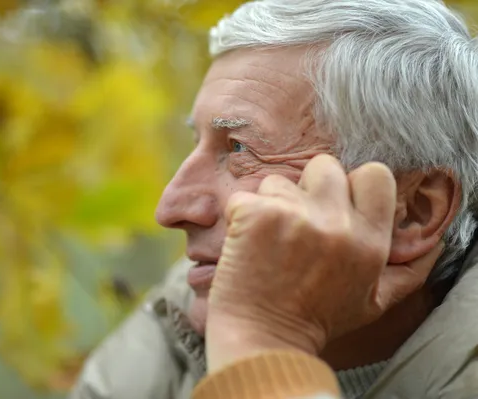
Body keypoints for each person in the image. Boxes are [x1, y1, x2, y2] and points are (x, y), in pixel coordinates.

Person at [72, 1, 478, 398]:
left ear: (412, 211)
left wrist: (263, 345)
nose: (171, 209)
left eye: (239, 149)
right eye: (196, 142)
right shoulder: (179, 313)